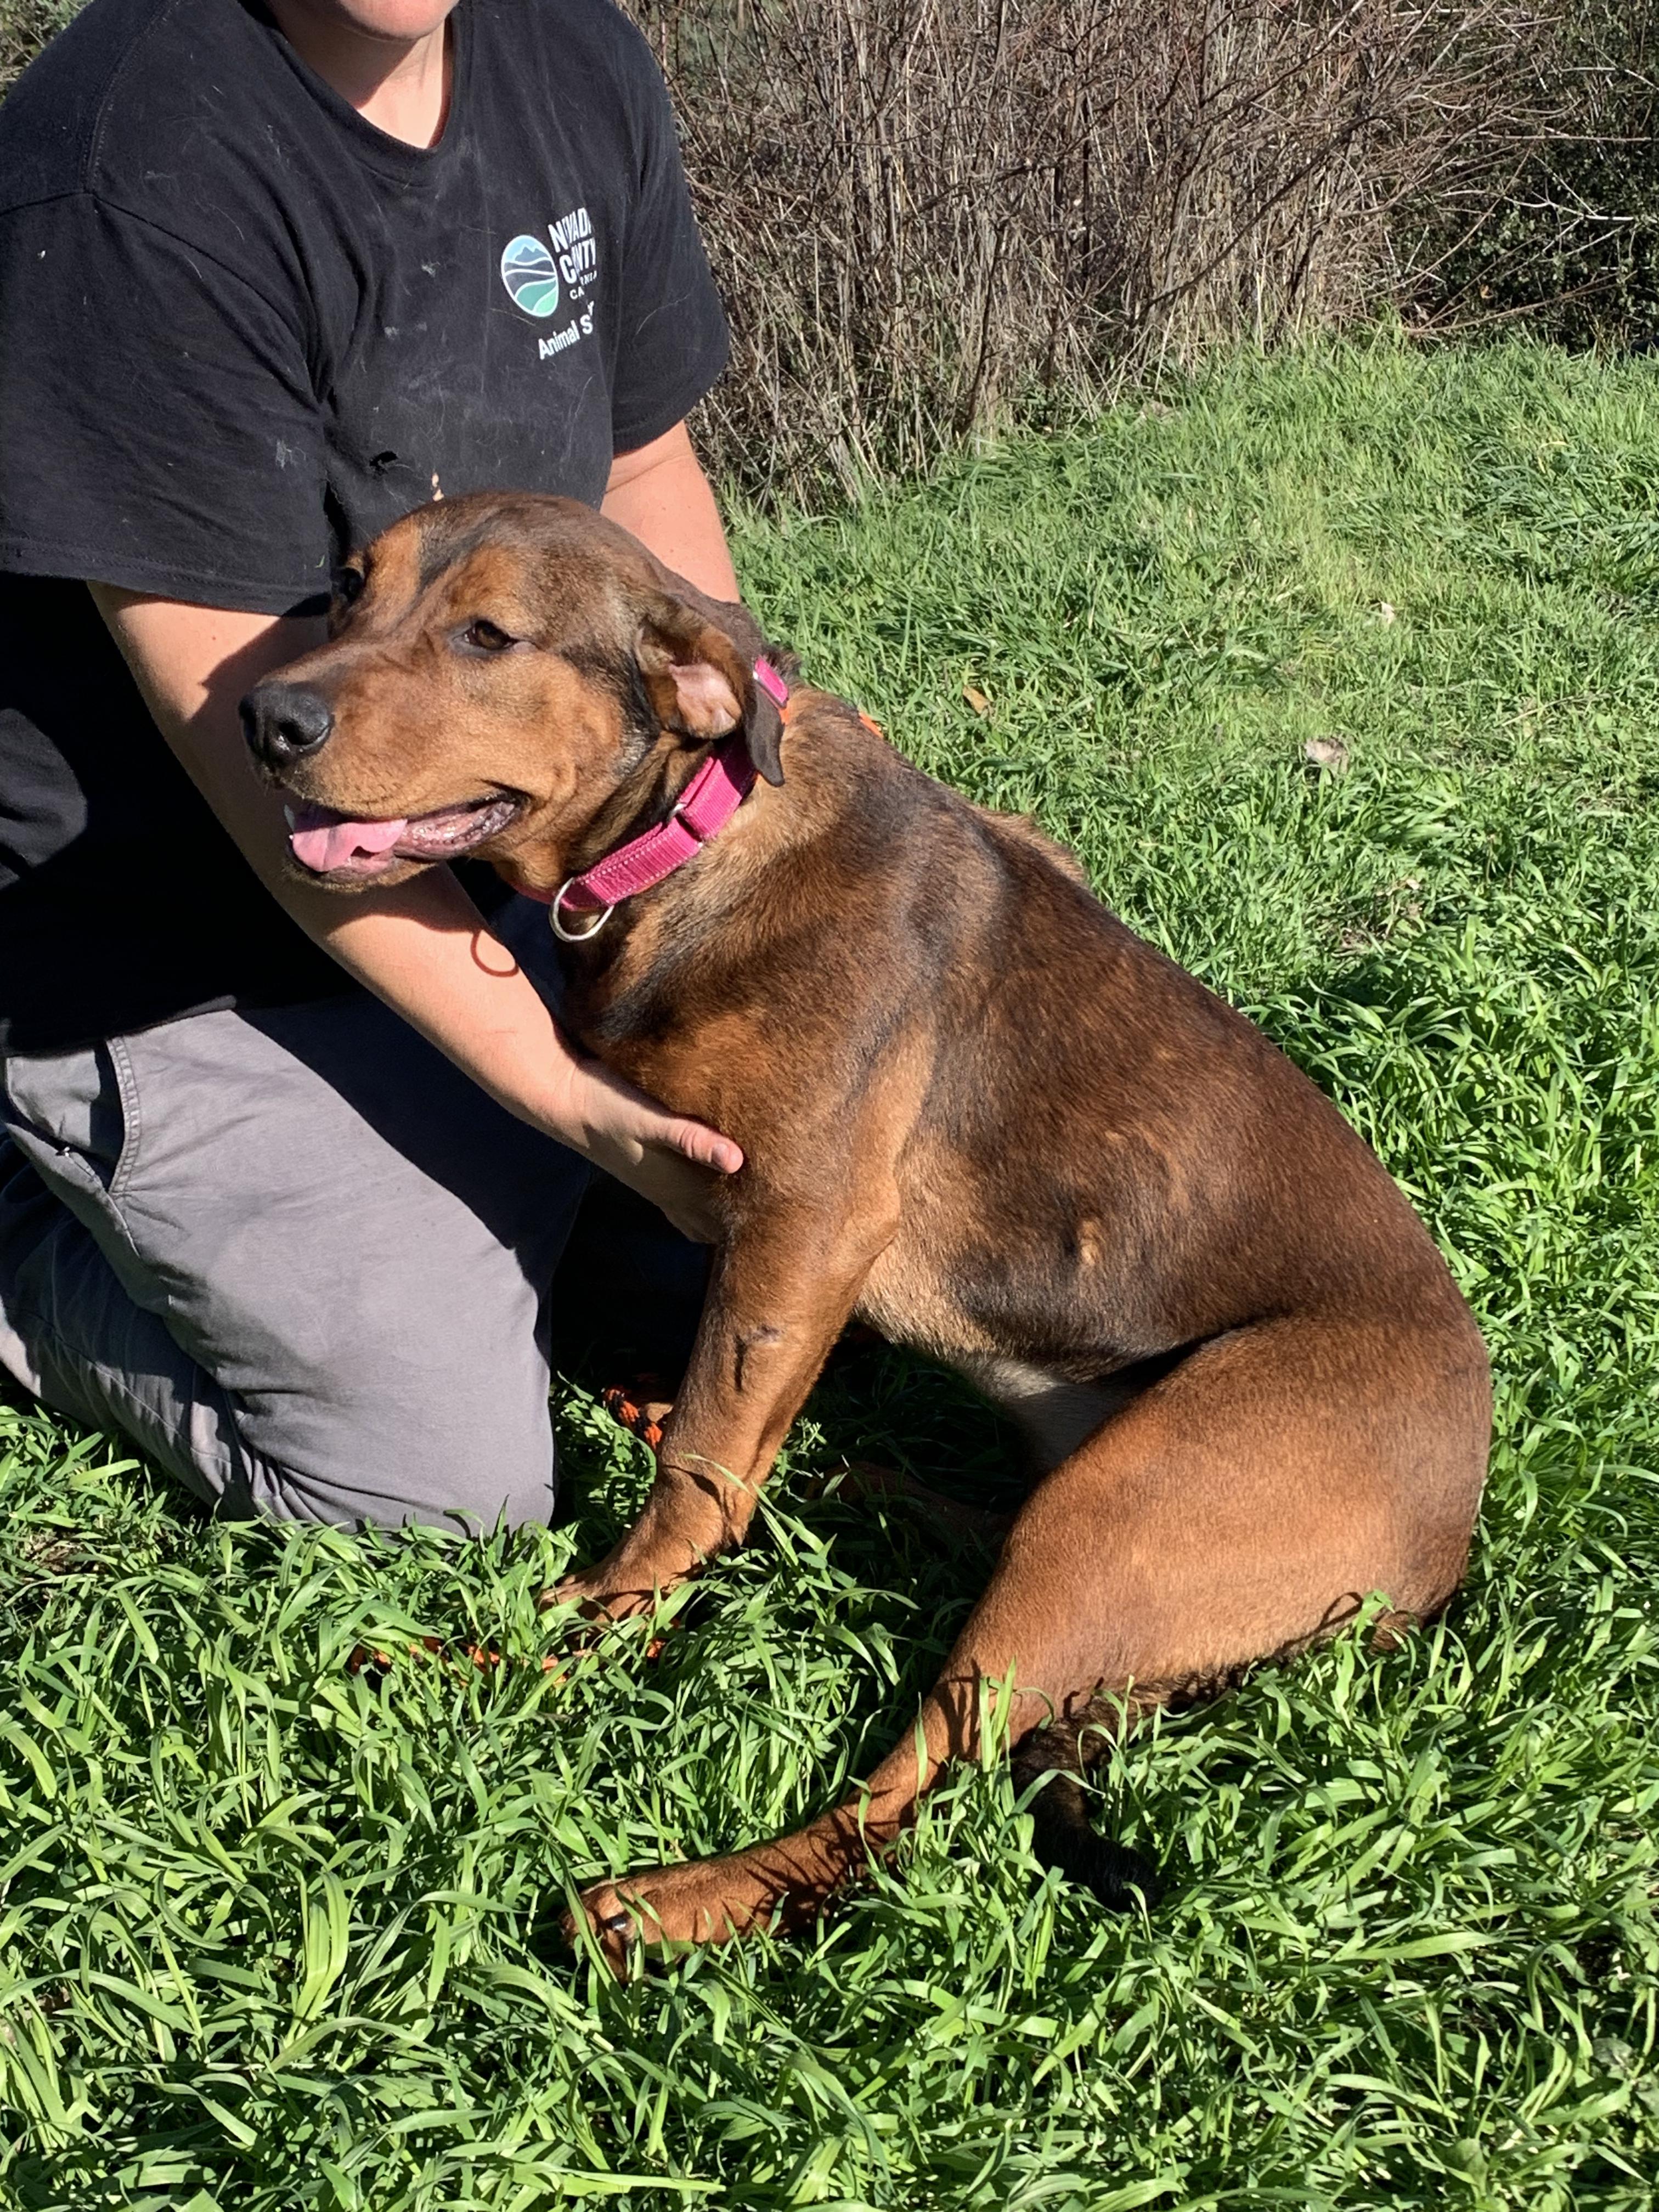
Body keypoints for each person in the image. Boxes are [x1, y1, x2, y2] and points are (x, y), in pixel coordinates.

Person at [0, 0, 747, 1529]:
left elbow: (644, 469)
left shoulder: (573, 58)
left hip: (484, 861)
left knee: (739, 1260)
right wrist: (563, 1094)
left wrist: (759, 809)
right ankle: (25, 1228)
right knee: (441, 1488)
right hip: (167, 944)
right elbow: (260, 760)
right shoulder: (125, 168)